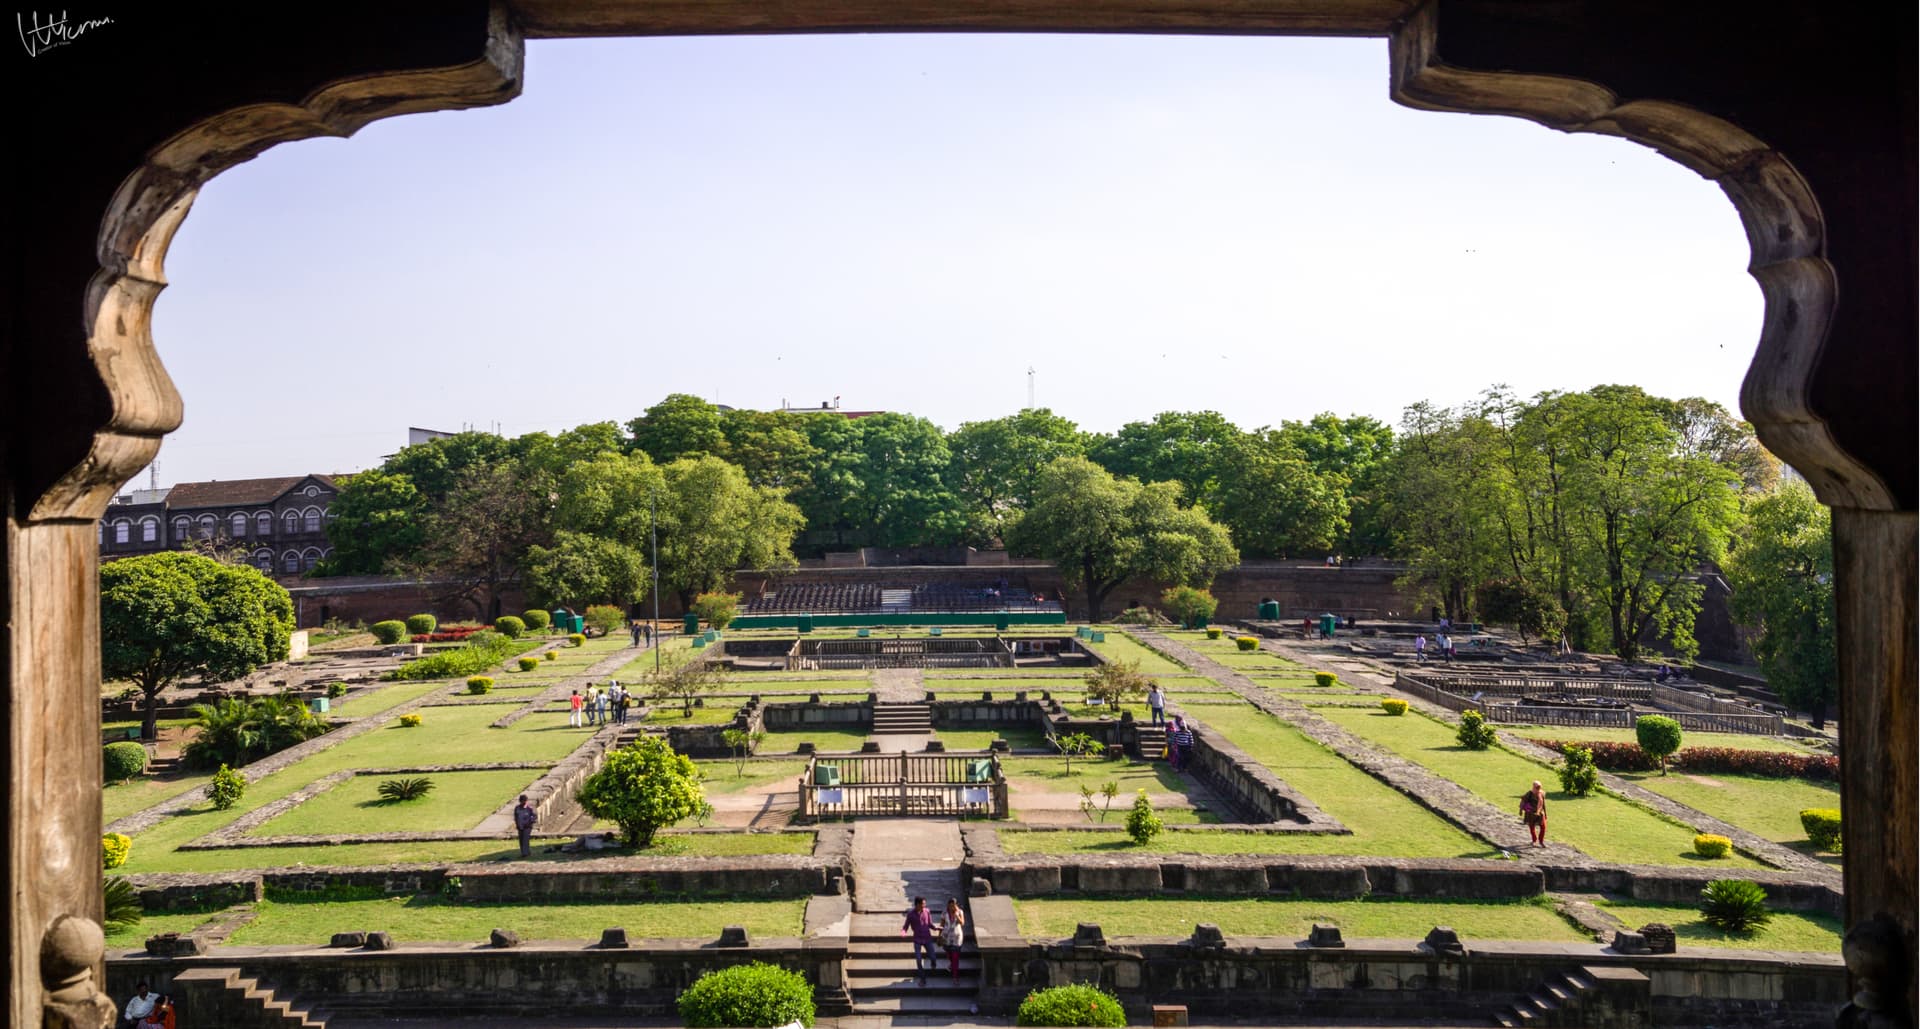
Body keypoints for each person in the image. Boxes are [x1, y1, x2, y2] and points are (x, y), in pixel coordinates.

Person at [903, 896, 936, 986]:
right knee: (918, 960)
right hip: (917, 939)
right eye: (923, 904)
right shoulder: (910, 914)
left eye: (925, 904)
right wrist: (903, 932)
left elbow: (929, 923)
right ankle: (923, 979)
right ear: (917, 904)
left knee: (933, 956)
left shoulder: (927, 911)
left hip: (927, 938)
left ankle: (933, 963)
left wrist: (935, 928)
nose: (924, 905)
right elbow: (906, 926)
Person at [940, 897, 967, 981]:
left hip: (957, 938)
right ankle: (952, 964)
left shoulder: (960, 912)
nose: (951, 907)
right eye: (950, 906)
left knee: (955, 957)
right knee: (949, 954)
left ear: (956, 905)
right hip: (946, 937)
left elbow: (962, 923)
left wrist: (956, 915)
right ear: (948, 905)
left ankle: (955, 976)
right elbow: (941, 925)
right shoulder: (944, 913)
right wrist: (939, 936)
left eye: (953, 906)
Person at [1520, 780, 1548, 848]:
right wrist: (1520, 810)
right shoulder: (1529, 794)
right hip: (1531, 813)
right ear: (1533, 787)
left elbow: (1543, 804)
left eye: (1539, 787)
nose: (1538, 788)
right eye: (1537, 787)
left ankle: (1541, 841)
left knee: (1543, 827)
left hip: (1540, 814)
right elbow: (1523, 801)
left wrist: (1545, 813)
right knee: (1532, 828)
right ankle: (1534, 839)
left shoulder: (1542, 793)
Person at [513, 793, 538, 858]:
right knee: (521, 840)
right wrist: (517, 824)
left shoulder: (529, 809)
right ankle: (525, 852)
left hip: (527, 827)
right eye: (523, 801)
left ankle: (525, 853)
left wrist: (531, 821)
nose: (524, 802)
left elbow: (534, 816)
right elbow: (516, 817)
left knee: (525, 839)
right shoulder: (517, 808)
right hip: (520, 826)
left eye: (525, 801)